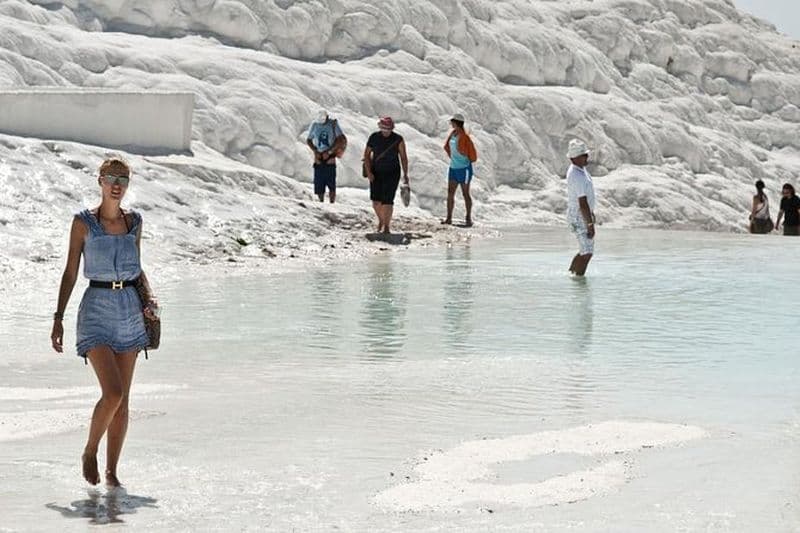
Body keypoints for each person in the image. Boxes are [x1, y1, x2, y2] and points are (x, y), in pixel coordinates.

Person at [50, 158, 159, 488]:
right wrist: (58, 318)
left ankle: (112, 474)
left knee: (124, 402)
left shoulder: (135, 222)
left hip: (129, 309)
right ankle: (89, 451)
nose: (117, 184)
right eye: (111, 178)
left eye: (123, 179)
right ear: (99, 181)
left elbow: (137, 270)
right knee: (111, 393)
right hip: (95, 309)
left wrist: (150, 299)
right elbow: (70, 273)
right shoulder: (83, 223)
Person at [363, 116, 409, 235]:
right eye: (383, 128)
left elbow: (403, 157)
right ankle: (381, 220)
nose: (386, 131)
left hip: (392, 172)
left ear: (392, 128)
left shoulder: (398, 139)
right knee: (376, 201)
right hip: (376, 172)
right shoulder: (374, 137)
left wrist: (405, 174)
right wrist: (369, 173)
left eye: (388, 129)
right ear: (380, 127)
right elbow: (366, 155)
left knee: (388, 200)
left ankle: (387, 226)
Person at [565, 139, 596, 276]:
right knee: (587, 252)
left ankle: (572, 274)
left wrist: (591, 214)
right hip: (579, 216)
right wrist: (589, 224)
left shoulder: (580, 170)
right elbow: (582, 202)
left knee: (585, 250)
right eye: (584, 155)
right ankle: (578, 280)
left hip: (581, 214)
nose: (587, 157)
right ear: (575, 158)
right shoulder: (576, 175)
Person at [442, 113, 478, 226]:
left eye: (452, 122)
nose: (451, 124)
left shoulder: (465, 137)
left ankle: (468, 217)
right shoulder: (453, 134)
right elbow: (447, 146)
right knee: (450, 193)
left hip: (464, 169)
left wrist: (464, 160)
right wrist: (453, 158)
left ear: (456, 122)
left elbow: (473, 155)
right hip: (453, 168)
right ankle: (448, 218)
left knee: (465, 193)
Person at [306, 110, 347, 203]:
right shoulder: (315, 125)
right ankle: (321, 202)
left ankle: (332, 202)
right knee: (319, 182)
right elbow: (309, 140)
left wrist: (329, 151)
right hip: (319, 157)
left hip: (330, 158)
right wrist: (315, 151)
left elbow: (340, 139)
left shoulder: (333, 124)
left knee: (331, 182)